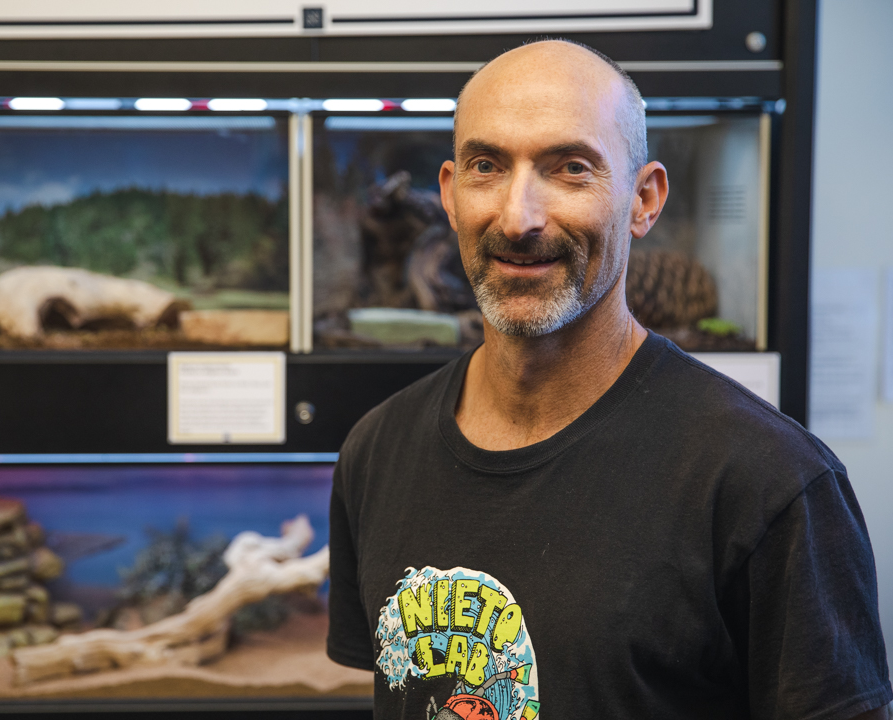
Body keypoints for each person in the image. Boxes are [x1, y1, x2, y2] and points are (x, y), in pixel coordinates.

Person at [326, 39, 892, 720]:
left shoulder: (769, 484)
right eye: (487, 166)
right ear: (450, 195)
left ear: (644, 199)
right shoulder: (376, 452)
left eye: (570, 168)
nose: (518, 217)